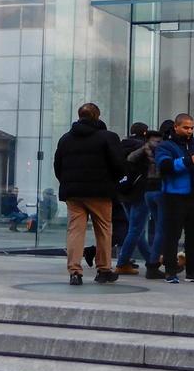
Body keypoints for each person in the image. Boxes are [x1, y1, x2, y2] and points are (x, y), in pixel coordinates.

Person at [52, 102, 126, 286]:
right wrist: (113, 181)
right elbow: (119, 164)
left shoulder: (66, 139)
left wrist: (68, 183)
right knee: (103, 230)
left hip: (74, 193)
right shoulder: (108, 137)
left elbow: (58, 166)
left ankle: (75, 272)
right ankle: (103, 269)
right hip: (101, 192)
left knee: (75, 231)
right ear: (98, 116)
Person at [154, 113, 194, 284]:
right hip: (174, 195)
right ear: (176, 127)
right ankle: (170, 270)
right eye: (186, 127)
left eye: (192, 128)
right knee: (172, 234)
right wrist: (188, 161)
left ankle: (193, 270)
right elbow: (164, 166)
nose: (189, 131)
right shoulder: (166, 146)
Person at [114, 122, 151, 275]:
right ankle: (122, 263)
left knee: (136, 228)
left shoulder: (119, 146)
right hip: (140, 191)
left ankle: (151, 259)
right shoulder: (144, 148)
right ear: (144, 133)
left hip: (123, 191)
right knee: (136, 229)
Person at [139, 121, 172, 279]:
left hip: (147, 190)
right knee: (162, 229)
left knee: (158, 227)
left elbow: (132, 159)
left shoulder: (148, 147)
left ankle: (160, 260)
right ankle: (154, 263)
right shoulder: (166, 147)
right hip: (160, 189)